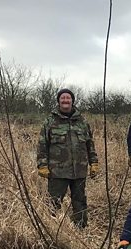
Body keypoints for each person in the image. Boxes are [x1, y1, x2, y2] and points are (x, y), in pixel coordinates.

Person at [37, 88, 98, 228]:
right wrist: (42, 165)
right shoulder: (50, 121)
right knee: (53, 202)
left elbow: (90, 144)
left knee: (80, 201)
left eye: (68, 98)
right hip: (57, 171)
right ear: (59, 101)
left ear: (72, 101)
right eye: (62, 98)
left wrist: (94, 162)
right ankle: (50, 228)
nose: (65, 100)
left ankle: (81, 228)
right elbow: (42, 145)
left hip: (79, 170)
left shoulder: (82, 121)